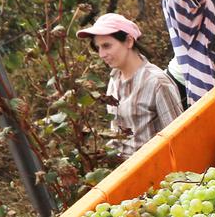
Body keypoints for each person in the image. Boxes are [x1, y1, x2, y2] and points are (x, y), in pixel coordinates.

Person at [77, 13, 183, 157]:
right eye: (98, 48)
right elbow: (117, 135)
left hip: (152, 165)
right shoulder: (114, 79)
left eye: (107, 46)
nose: (101, 54)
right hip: (122, 166)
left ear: (128, 41)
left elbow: (178, 137)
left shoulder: (157, 82)